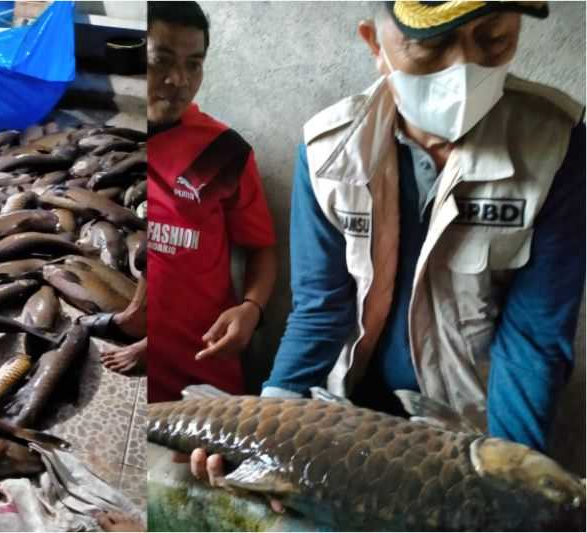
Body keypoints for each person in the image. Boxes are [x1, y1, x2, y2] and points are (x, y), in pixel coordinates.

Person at [189, 0, 585, 493]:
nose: (463, 71)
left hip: (474, 424)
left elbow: (533, 339)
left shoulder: (557, 149)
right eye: (432, 44)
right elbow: (321, 311)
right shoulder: (328, 150)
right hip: (346, 409)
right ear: (376, 45)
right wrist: (270, 424)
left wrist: (510, 476)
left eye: (493, 40)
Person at [147, 1, 278, 402]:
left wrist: (252, 309)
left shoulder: (224, 152)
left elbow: (261, 249)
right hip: (124, 368)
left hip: (201, 381)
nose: (178, 80)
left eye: (194, 64)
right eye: (160, 61)